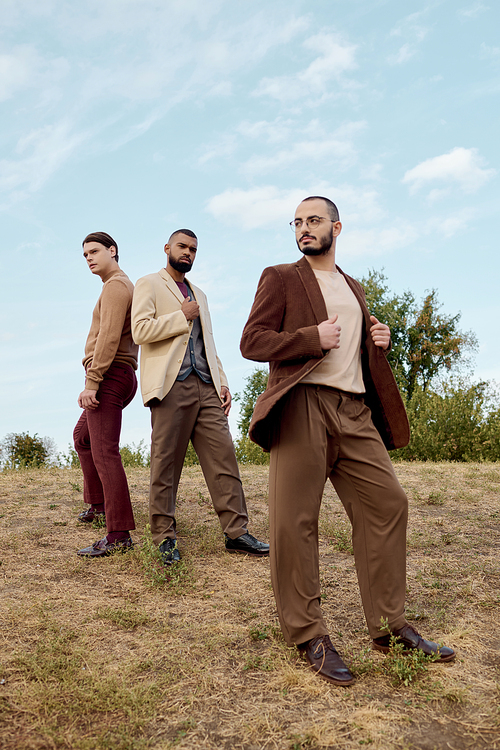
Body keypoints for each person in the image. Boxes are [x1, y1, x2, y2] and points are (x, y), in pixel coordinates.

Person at [240, 197, 455, 686]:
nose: (304, 229)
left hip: (354, 410)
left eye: (313, 220)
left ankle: (390, 624)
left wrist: (375, 341)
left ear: (337, 226)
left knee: (388, 503)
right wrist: (309, 336)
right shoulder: (281, 277)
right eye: (297, 222)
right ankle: (307, 633)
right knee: (295, 520)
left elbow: (350, 346)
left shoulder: (352, 286)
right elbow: (252, 340)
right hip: (303, 406)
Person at [131, 229, 269, 565]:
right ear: (167, 248)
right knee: (165, 463)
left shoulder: (200, 294)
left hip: (206, 385)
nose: (188, 253)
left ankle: (237, 533)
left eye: (193, 249)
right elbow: (140, 330)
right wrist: (181, 317)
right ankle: (164, 538)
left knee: (224, 458)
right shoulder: (148, 284)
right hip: (170, 386)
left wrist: (221, 381)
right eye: (182, 246)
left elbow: (209, 342)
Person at [74, 232, 138, 558]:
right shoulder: (115, 285)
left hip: (111, 374)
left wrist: (92, 380)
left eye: (95, 251)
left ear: (113, 251)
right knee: (83, 438)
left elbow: (109, 338)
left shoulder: (115, 286)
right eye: (85, 254)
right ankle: (98, 505)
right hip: (118, 374)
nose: (89, 257)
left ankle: (118, 534)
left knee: (104, 452)